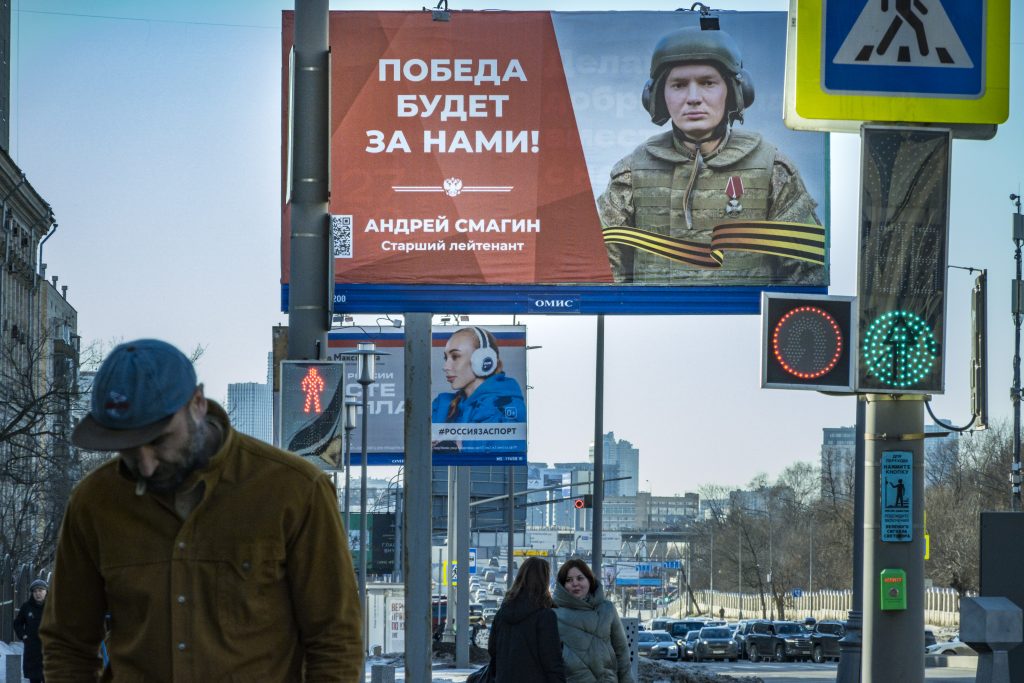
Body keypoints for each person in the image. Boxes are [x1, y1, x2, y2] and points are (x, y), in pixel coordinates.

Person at [40, 339, 363, 681]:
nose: (146, 466)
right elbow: (67, 643)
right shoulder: (95, 502)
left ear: (196, 404)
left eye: (159, 440)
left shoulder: (294, 491)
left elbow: (335, 640)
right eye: (129, 450)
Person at [599, 25, 826, 286]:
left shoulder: (772, 170)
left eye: (708, 83)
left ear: (734, 91)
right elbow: (605, 272)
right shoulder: (631, 174)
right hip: (654, 322)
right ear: (659, 95)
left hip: (744, 323)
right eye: (679, 85)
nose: (693, 98)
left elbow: (807, 278)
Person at [431, 327, 526, 453]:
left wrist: (456, 452)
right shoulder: (442, 406)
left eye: (455, 356)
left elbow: (500, 462)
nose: (446, 367)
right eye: (446, 358)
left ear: (482, 360)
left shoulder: (506, 410)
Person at [553, 559, 633, 683]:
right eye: (569, 580)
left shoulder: (607, 609)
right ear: (562, 586)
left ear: (589, 580)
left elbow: (621, 652)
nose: (575, 583)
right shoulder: (552, 614)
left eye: (580, 578)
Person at [487, 557, 565, 683]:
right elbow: (552, 662)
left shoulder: (501, 614)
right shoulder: (545, 616)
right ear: (544, 581)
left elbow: (492, 650)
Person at [13, 578, 48, 683]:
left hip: (49, 647)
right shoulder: (26, 607)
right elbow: (17, 623)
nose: (38, 593)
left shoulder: (53, 606)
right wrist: (23, 635)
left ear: (46, 591)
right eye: (35, 591)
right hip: (32, 648)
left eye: (40, 590)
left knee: (49, 676)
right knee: (34, 678)